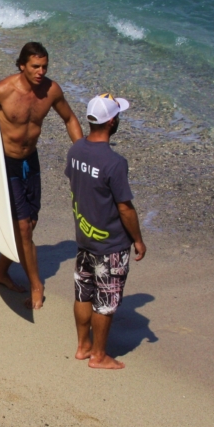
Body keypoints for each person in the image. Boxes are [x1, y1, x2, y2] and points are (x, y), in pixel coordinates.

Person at [0, 42, 83, 309]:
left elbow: (70, 119)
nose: (41, 72)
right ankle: (36, 286)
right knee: (24, 227)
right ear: (22, 65)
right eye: (35, 66)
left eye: (44, 66)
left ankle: (1, 270)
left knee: (31, 222)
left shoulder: (51, 91)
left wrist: (82, 152)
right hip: (5, 163)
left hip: (30, 161)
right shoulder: (4, 91)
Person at [65, 94, 146, 369]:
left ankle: (82, 346)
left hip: (84, 239)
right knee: (105, 301)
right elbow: (125, 207)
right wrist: (137, 239)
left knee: (83, 292)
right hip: (109, 244)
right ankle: (99, 355)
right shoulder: (114, 162)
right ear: (112, 122)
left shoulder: (75, 151)